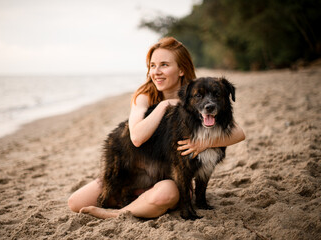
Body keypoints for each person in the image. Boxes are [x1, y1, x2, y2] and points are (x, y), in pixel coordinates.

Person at [68, 37, 245, 219]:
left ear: (181, 69)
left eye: (164, 65)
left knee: (166, 194)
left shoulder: (195, 92)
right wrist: (164, 105)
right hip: (136, 167)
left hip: (168, 180)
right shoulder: (145, 95)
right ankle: (139, 199)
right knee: (76, 202)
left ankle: (118, 214)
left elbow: (238, 132)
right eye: (152, 66)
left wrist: (203, 144)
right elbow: (136, 137)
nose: (157, 71)